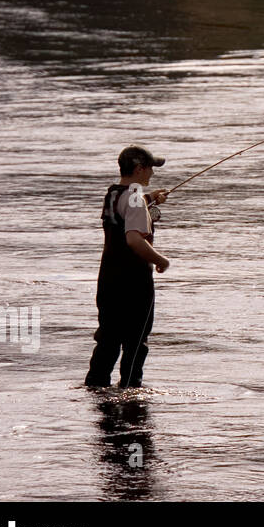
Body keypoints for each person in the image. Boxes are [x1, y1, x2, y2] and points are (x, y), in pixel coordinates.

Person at [84, 146, 171, 389]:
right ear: (139, 168)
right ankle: (131, 393)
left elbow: (129, 207)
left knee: (108, 339)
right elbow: (134, 239)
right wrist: (161, 260)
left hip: (108, 279)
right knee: (136, 342)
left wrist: (150, 198)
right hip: (133, 282)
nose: (152, 173)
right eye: (150, 167)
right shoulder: (134, 196)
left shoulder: (114, 194)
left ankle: (95, 388)